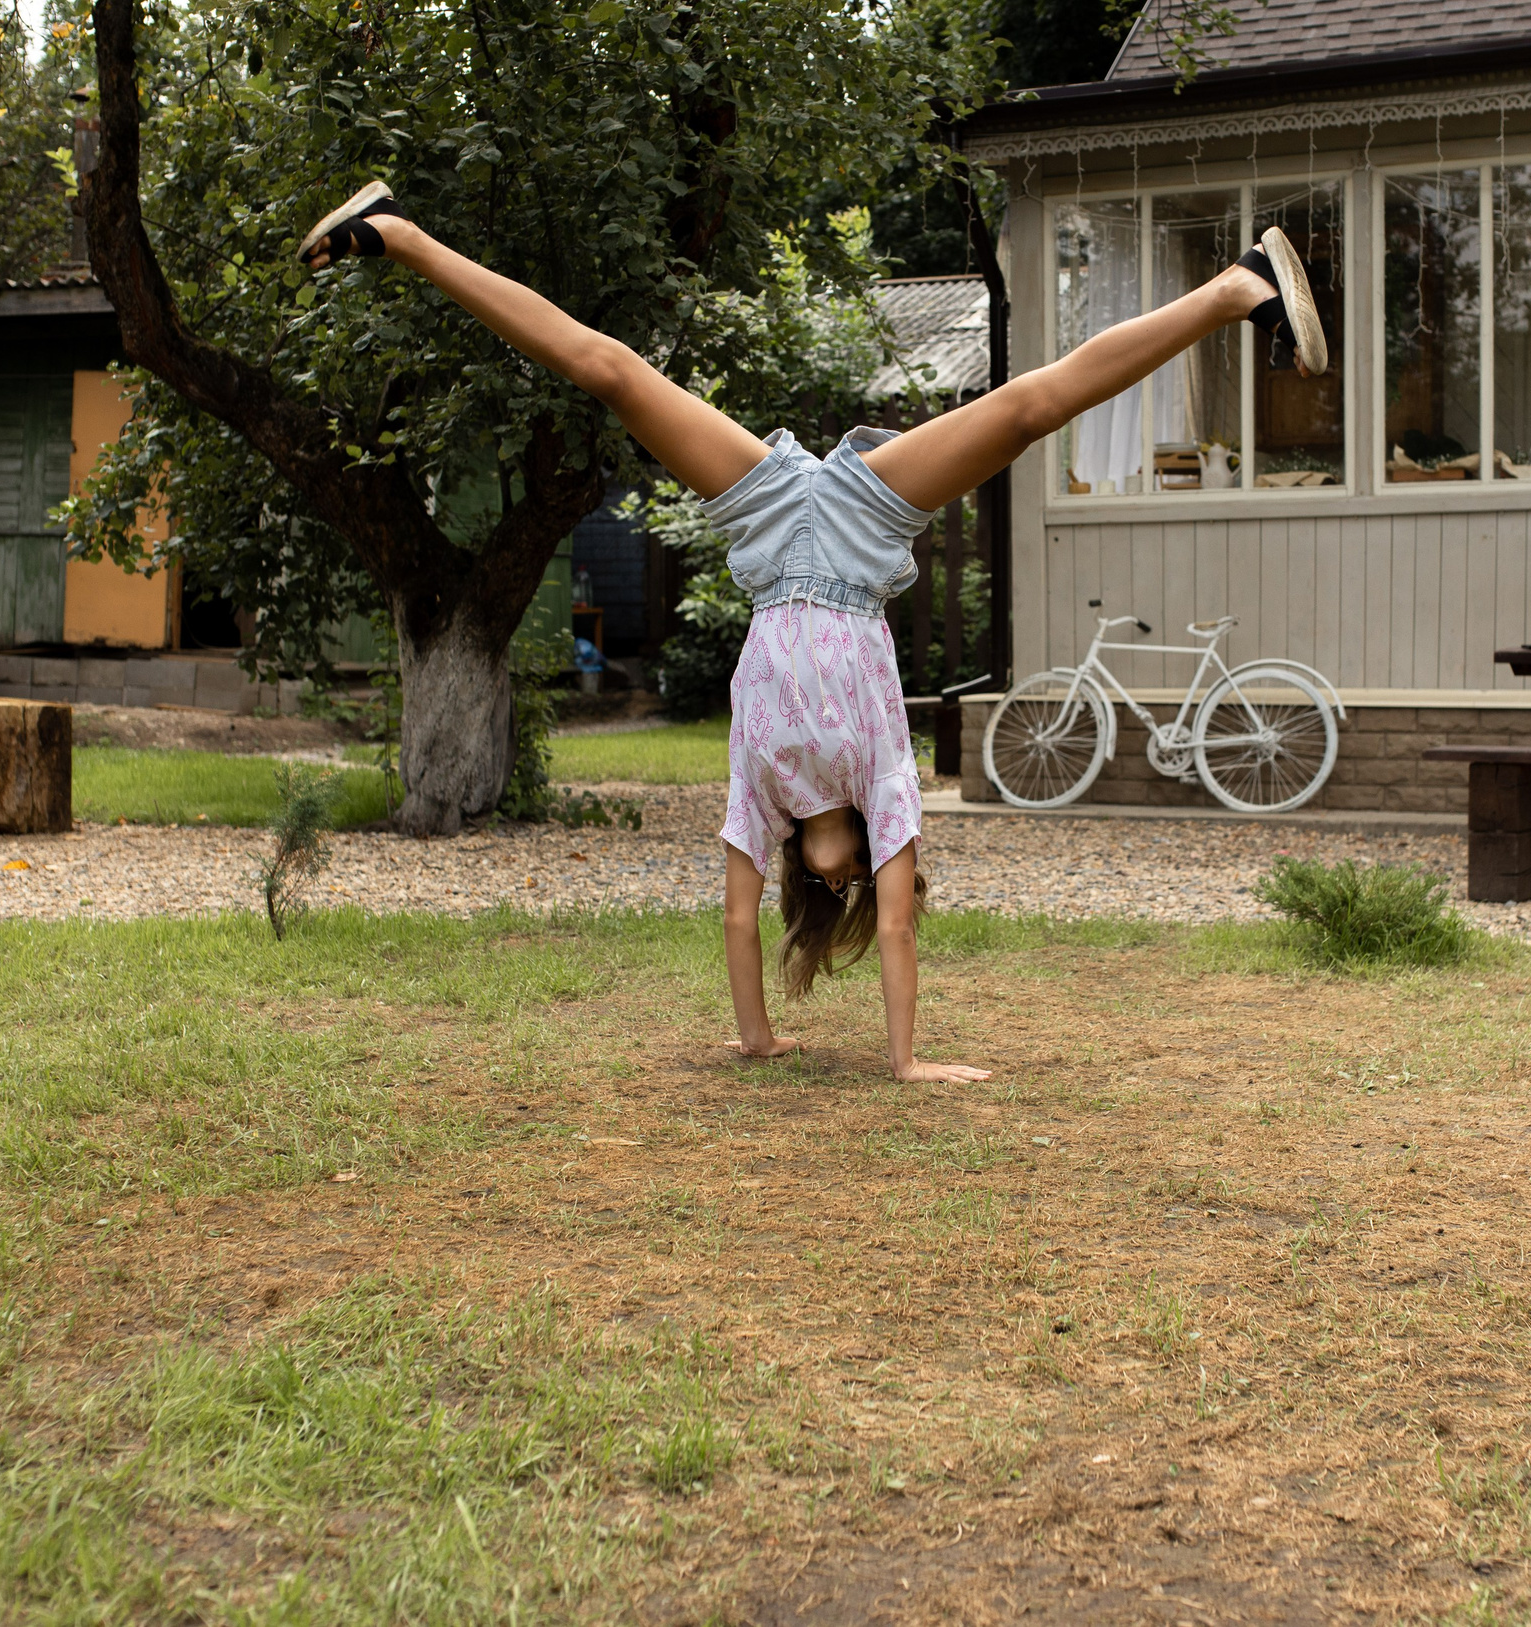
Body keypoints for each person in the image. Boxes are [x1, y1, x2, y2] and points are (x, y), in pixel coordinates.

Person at [300, 182, 1327, 1083]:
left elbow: (740, 925)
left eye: (825, 889)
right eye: (854, 883)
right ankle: (1237, 286)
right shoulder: (885, 792)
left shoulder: (765, 803)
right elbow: (895, 928)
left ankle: (399, 235)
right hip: (859, 528)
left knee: (610, 375)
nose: (840, 883)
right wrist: (906, 1061)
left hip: (765, 526)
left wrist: (754, 1040)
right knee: (1023, 411)